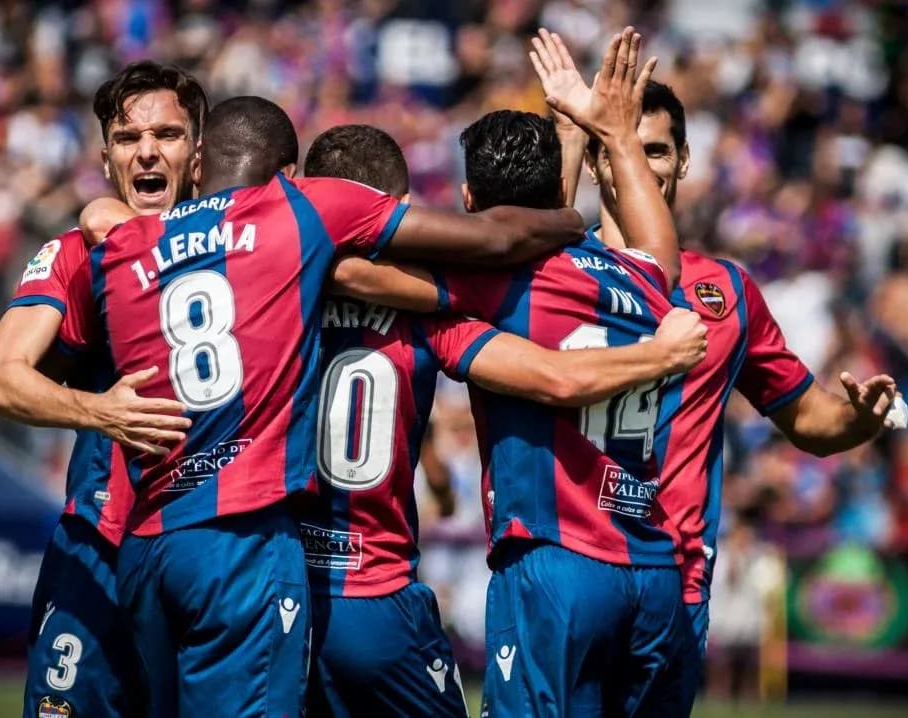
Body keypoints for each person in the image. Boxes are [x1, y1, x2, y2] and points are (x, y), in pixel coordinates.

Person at [64, 95, 593, 717]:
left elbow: (109, 227)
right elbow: (548, 364)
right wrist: (575, 214)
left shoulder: (230, 276)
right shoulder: (412, 302)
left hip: (197, 551)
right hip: (352, 585)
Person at [530, 28, 903, 713]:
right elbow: (530, 240)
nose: (636, 163)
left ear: (683, 163)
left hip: (672, 582)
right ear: (591, 159)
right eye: (618, 143)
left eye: (655, 150)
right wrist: (572, 131)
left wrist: (856, 417)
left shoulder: (725, 291)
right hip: (562, 565)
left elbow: (809, 421)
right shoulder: (549, 272)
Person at [328, 28, 689, 715]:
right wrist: (604, 131)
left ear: (468, 199)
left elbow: (350, 273)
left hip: (555, 561)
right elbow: (657, 243)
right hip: (651, 568)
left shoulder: (489, 283)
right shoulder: (644, 277)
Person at [0, 60, 208, 718]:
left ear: (199, 154)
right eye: (128, 140)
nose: (147, 152)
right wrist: (99, 410)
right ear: (107, 159)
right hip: (100, 548)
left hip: (209, 555)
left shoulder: (245, 248)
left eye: (166, 134)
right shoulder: (77, 254)